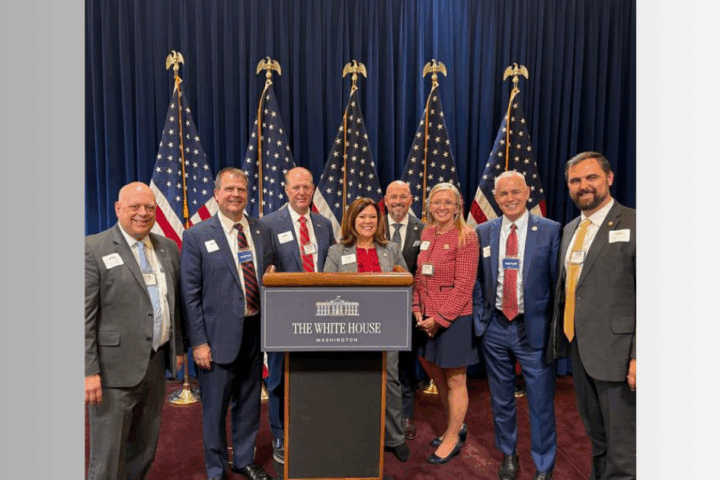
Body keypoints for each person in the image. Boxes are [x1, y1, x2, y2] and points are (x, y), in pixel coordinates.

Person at [85, 182, 185, 480]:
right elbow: (83, 317)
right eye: (134, 207)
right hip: (112, 371)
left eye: (149, 207)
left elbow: (175, 303)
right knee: (108, 455)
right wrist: (88, 371)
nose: (143, 213)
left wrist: (178, 348)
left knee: (144, 448)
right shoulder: (93, 248)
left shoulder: (168, 247)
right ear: (118, 209)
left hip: (155, 363)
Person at [180, 168, 275, 480]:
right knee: (214, 410)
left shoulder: (262, 230)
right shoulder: (197, 235)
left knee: (249, 402)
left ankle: (243, 459)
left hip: (255, 331)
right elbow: (190, 294)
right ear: (217, 194)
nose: (236, 194)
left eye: (241, 189)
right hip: (216, 338)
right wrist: (198, 342)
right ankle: (216, 469)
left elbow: (269, 277)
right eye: (229, 189)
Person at [547, 152, 636, 480]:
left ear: (609, 178)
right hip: (581, 353)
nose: (583, 185)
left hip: (621, 359)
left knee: (624, 452)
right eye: (575, 180)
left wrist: (639, 357)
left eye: (591, 177)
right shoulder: (571, 230)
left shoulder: (636, 224)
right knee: (597, 441)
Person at [473, 171, 560, 480]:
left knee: (540, 402)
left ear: (527, 193)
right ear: (495, 198)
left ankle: (544, 464)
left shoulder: (550, 230)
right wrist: (481, 319)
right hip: (495, 327)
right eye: (503, 193)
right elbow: (478, 280)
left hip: (533, 329)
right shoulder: (483, 231)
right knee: (501, 399)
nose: (510, 198)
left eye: (515, 192)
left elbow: (557, 284)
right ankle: (508, 453)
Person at [323, 197, 411, 462]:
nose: (368, 222)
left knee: (390, 381)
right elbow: (326, 288)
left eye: (372, 217)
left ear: (379, 221)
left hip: (387, 326)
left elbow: (407, 281)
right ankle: (354, 434)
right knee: (354, 379)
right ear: (352, 220)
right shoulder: (337, 251)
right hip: (349, 327)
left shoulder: (391, 249)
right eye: (362, 217)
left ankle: (395, 437)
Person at [259, 166, 335, 464]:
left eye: (306, 187)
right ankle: (279, 432)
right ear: (286, 189)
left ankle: (311, 425)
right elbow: (264, 273)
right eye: (296, 187)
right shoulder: (268, 224)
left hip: (321, 315)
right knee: (279, 377)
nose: (302, 192)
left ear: (313, 189)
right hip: (284, 316)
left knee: (314, 374)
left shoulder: (324, 224)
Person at [412, 182, 480, 465]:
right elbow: (419, 277)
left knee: (455, 379)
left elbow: (464, 286)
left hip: (454, 320)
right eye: (436, 202)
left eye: (448, 202)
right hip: (426, 318)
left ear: (457, 206)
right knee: (437, 375)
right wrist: (417, 309)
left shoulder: (467, 236)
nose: (442, 207)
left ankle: (452, 437)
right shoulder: (427, 232)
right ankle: (455, 426)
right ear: (429, 205)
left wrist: (439, 320)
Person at [383, 180, 425, 440]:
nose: (398, 202)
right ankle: (380, 412)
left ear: (411, 199)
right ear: (385, 200)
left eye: (403, 196)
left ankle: (405, 415)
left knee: (406, 365)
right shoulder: (371, 226)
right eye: (393, 197)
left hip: (410, 308)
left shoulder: (425, 229)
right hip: (378, 308)